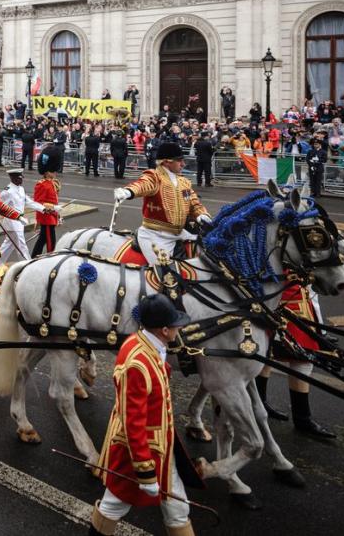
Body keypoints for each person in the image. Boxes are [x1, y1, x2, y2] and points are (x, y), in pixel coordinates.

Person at [90, 294, 199, 536]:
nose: (179, 328)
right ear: (164, 330)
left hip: (160, 447)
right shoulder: (138, 364)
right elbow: (133, 422)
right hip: (140, 452)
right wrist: (145, 472)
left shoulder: (144, 342)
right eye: (175, 325)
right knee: (113, 505)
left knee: (177, 506)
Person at [256, 281, 336, 439]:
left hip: (295, 300)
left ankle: (297, 415)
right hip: (280, 301)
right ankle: (301, 418)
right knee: (293, 358)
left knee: (277, 355)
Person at [112, 141, 210, 267]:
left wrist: (201, 215)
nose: (183, 164)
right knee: (167, 274)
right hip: (155, 236)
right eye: (179, 160)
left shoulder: (184, 182)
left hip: (180, 233)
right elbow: (142, 185)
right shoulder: (154, 176)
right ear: (166, 162)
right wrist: (128, 191)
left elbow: (194, 203)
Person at [0, 169, 44, 263]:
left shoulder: (21, 189)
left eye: (21, 177)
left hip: (19, 221)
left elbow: (29, 202)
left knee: (8, 245)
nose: (21, 180)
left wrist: (43, 209)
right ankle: (26, 264)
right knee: (21, 245)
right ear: (13, 178)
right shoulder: (7, 192)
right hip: (12, 222)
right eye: (19, 178)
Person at [31, 164, 62, 256]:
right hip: (46, 217)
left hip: (52, 216)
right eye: (53, 171)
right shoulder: (42, 184)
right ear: (47, 172)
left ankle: (34, 258)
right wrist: (53, 207)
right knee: (50, 242)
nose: (55, 172)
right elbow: (38, 203)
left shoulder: (52, 183)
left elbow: (54, 200)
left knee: (43, 239)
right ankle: (49, 258)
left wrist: (58, 215)